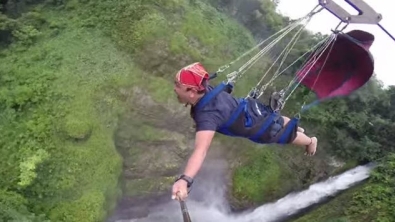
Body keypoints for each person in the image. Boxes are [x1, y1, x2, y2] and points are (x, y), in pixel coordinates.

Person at [171, 62, 318, 201]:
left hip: (260, 128)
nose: (174, 89)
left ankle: (310, 140)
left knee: (285, 136)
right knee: (274, 119)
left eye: (177, 86)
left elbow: (200, 150)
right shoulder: (207, 90)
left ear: (192, 92)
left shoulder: (208, 116)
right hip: (252, 109)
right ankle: (291, 125)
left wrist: (185, 179)